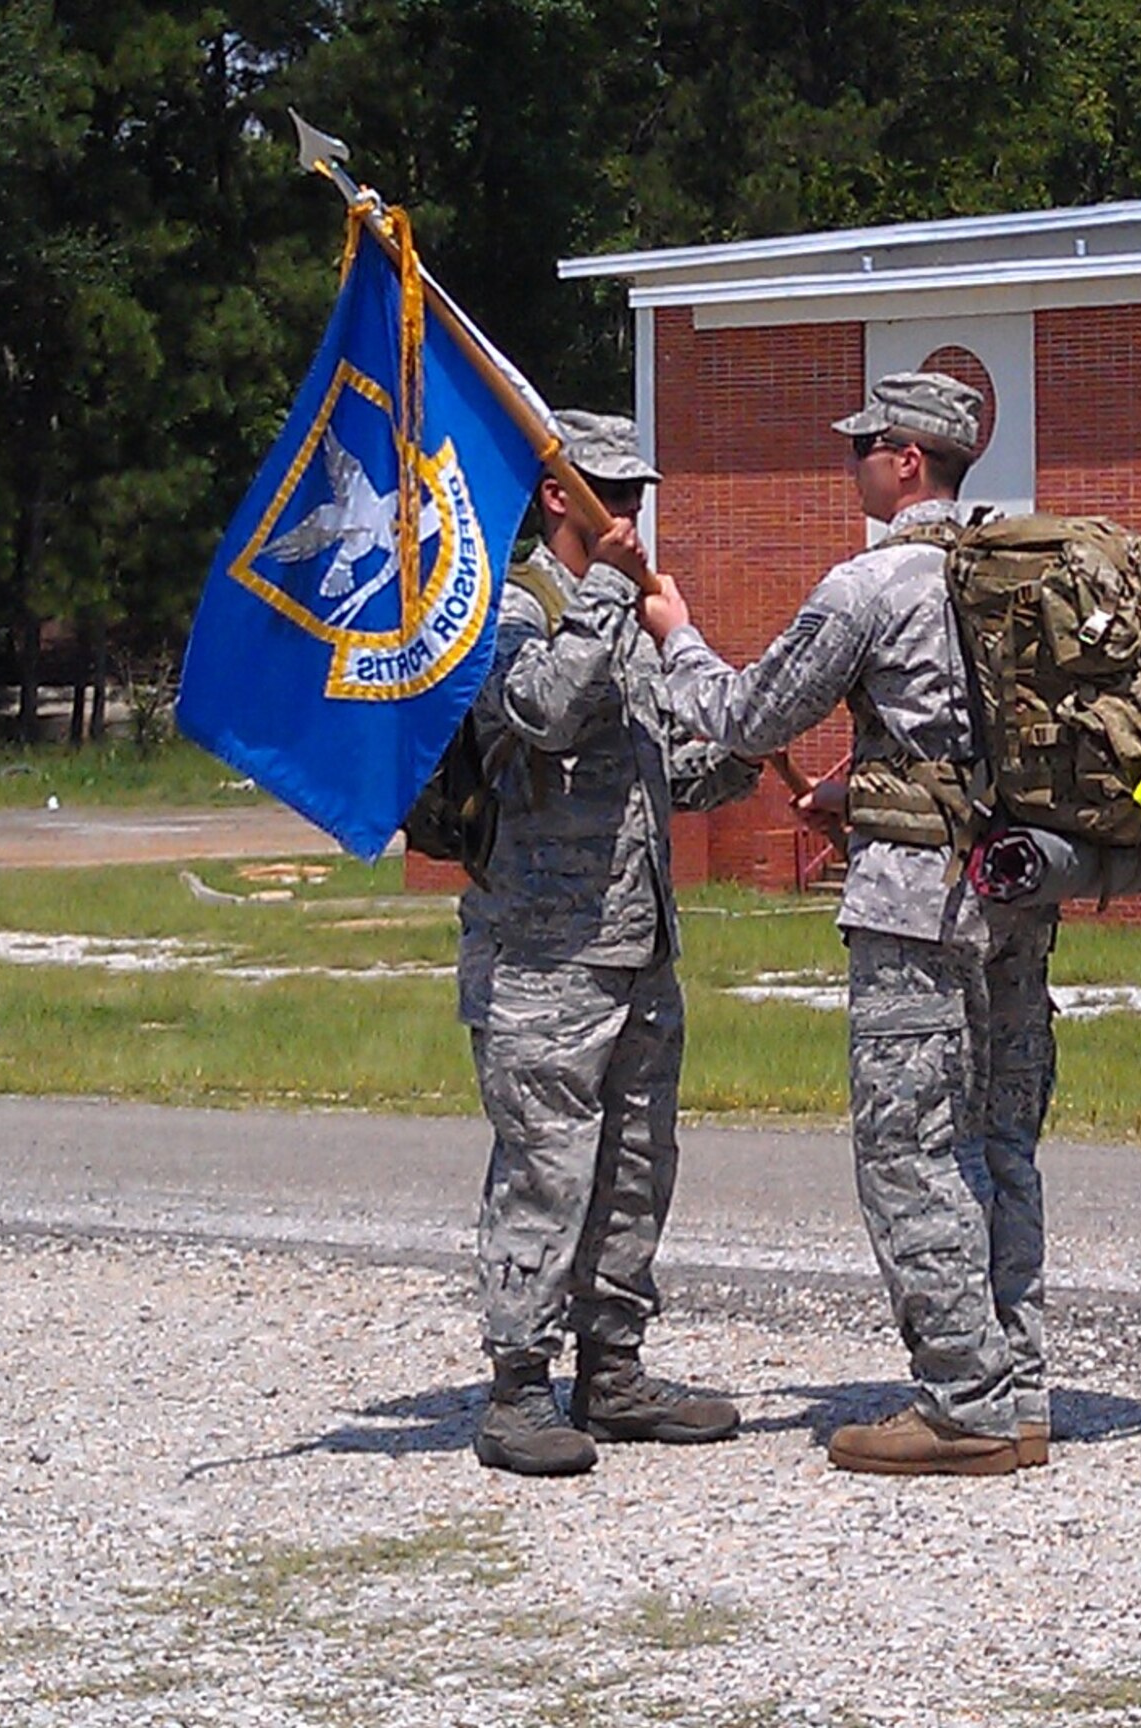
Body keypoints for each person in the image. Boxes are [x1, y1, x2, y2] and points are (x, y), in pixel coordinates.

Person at [635, 372, 1057, 1477]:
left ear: (906, 458)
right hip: (1015, 896)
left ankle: (963, 1404)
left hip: (916, 908)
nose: (849, 461)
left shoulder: (872, 584)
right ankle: (1017, 1388)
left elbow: (742, 715)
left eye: (861, 444)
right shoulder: (1010, 573)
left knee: (908, 1148)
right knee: (997, 1139)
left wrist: (677, 636)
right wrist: (855, 792)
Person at [457, 410, 760, 1478]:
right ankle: (515, 1388)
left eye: (637, 497)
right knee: (546, 1172)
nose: (629, 515)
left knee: (636, 1169)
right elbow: (536, 712)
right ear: (559, 497)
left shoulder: (623, 619)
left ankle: (613, 1368)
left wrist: (743, 743)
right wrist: (607, 601)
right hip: (541, 956)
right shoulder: (509, 609)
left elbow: (663, 770)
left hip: (636, 946)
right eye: (610, 496)